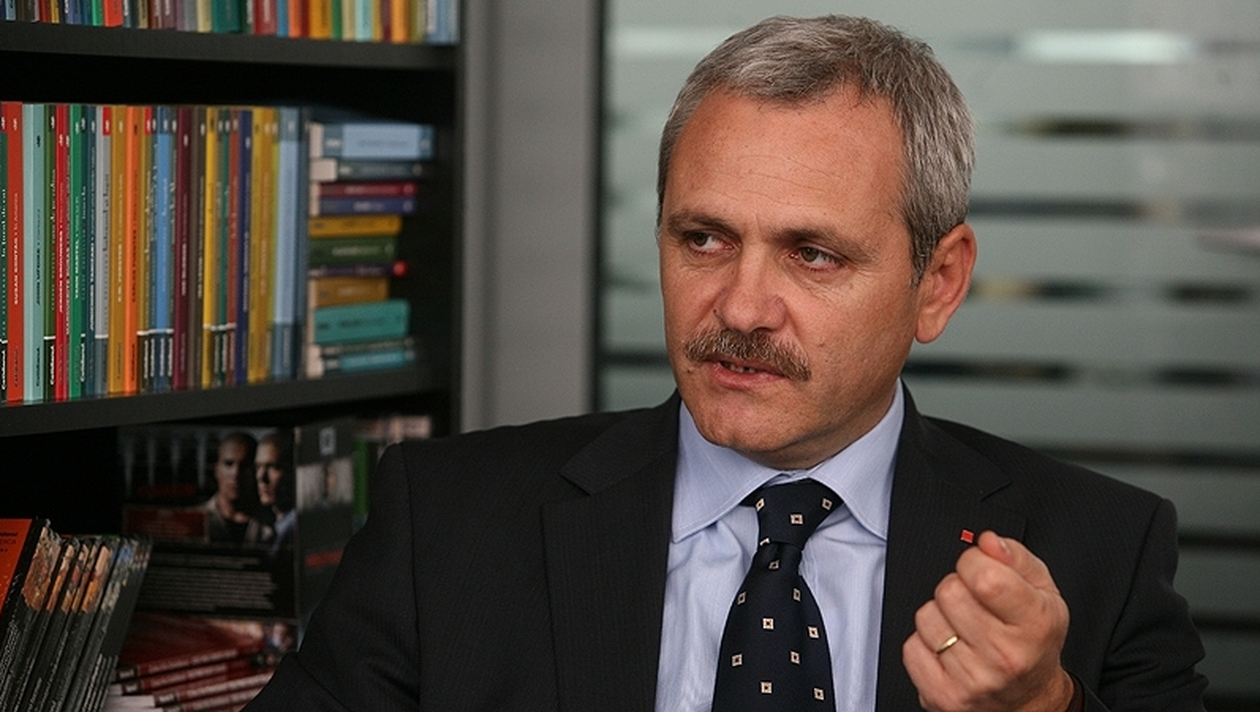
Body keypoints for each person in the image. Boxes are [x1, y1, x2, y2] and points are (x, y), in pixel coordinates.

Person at [245, 14, 1206, 711]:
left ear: (939, 283)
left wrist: (1044, 709)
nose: (741, 309)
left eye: (813, 254)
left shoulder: (1100, 551)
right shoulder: (446, 523)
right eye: (703, 239)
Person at [201, 431, 258, 544]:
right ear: (217, 470)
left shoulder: (275, 522)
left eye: (245, 465)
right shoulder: (196, 520)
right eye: (228, 464)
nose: (236, 473)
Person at [247, 429, 297, 555]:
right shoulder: (259, 524)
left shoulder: (295, 528)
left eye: (274, 467)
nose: (261, 477)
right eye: (258, 466)